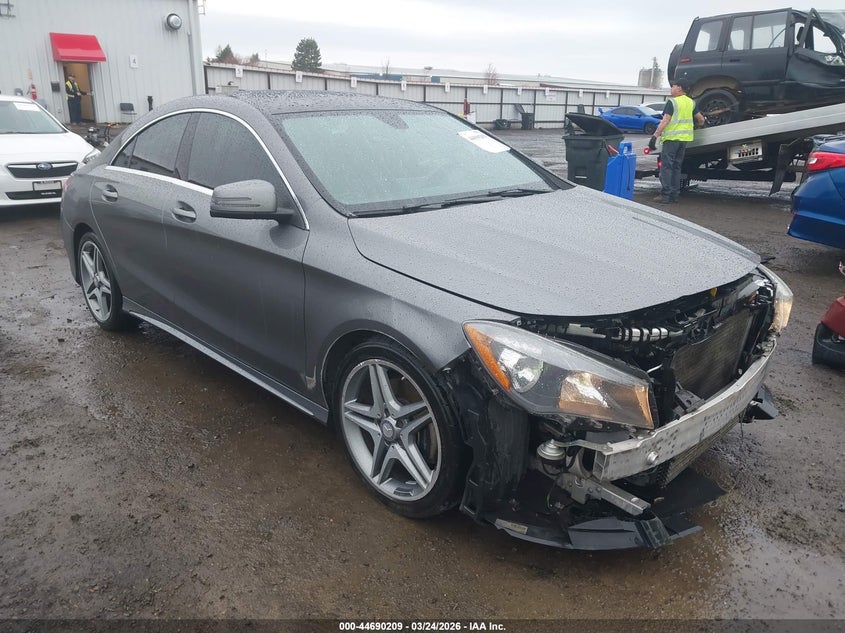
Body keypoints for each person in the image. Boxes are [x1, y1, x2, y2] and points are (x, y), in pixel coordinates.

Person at [649, 80, 706, 204]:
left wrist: (655, 136)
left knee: (666, 168)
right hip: (684, 140)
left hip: (671, 139)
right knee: (676, 167)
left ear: (679, 88)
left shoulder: (672, 102)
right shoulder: (691, 102)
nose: (671, 89)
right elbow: (701, 119)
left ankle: (665, 195)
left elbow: (666, 120)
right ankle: (675, 195)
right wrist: (697, 127)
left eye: (673, 86)